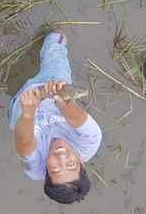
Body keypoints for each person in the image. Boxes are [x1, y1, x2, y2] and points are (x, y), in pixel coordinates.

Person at [10, 31, 100, 204]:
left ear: (45, 173)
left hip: (25, 105)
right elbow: (77, 118)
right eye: (71, 164)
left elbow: (23, 144)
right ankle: (54, 42)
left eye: (55, 168)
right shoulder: (90, 142)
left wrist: (28, 114)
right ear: (82, 163)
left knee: (15, 106)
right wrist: (58, 97)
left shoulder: (35, 169)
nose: (61, 156)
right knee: (56, 48)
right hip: (54, 87)